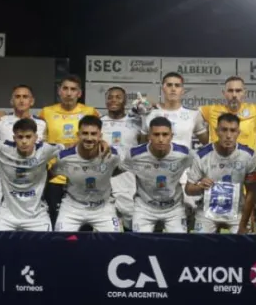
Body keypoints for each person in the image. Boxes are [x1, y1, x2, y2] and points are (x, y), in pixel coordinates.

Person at [135, 72, 208, 230]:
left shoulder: (193, 115)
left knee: (184, 222)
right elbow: (141, 145)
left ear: (183, 90)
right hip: (153, 174)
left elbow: (207, 144)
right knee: (153, 221)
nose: (173, 89)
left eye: (177, 85)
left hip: (182, 175)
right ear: (163, 88)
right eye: (169, 85)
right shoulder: (149, 113)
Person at [0, 118, 67, 232]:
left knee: (45, 249)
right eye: (20, 137)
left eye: (28, 137)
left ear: (36, 138)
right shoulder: (2, 148)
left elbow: (68, 148)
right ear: (14, 138)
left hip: (37, 216)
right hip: (7, 216)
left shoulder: (45, 150)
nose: (24, 141)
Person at [39, 75, 100, 226]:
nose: (68, 93)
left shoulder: (90, 112)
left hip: (82, 174)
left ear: (79, 93)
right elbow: (39, 140)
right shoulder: (46, 112)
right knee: (55, 219)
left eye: (73, 89)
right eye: (65, 88)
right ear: (59, 91)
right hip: (54, 175)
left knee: (84, 222)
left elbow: (99, 137)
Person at [185, 113, 256, 234]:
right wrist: (200, 186)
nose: (228, 135)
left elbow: (251, 191)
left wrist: (244, 223)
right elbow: (188, 189)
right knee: (200, 245)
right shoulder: (202, 155)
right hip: (207, 212)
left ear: (238, 133)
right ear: (216, 131)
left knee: (244, 245)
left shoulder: (248, 156)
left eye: (233, 130)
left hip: (237, 212)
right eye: (224, 130)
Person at [0, 85, 48, 226]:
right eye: (17, 97)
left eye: (25, 97)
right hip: (6, 177)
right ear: (11, 101)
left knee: (31, 216)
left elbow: (45, 148)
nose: (21, 100)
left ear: (32, 101)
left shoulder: (41, 123)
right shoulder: (0, 121)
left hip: (33, 178)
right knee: (0, 215)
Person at [53, 116, 123, 232]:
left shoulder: (112, 156)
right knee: (63, 242)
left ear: (100, 136)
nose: (89, 138)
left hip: (103, 207)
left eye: (93, 134)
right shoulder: (64, 157)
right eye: (85, 133)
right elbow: (51, 173)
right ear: (78, 135)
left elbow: (119, 169)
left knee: (114, 242)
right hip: (72, 207)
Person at [124, 117, 193, 233]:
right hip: (144, 207)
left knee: (180, 245)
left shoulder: (184, 154)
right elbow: (117, 170)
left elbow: (201, 166)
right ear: (149, 136)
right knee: (139, 244)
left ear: (171, 136)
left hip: (174, 208)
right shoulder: (134, 155)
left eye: (165, 135)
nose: (161, 139)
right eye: (156, 135)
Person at [99, 86, 141, 230]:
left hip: (128, 177)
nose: (113, 100)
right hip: (105, 176)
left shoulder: (136, 121)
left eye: (118, 97)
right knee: (107, 224)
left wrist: (145, 108)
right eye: (110, 97)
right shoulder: (99, 123)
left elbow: (146, 144)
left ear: (125, 101)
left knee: (131, 220)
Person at [196, 76, 256, 150]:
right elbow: (190, 117)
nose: (234, 95)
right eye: (230, 91)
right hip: (218, 160)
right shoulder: (211, 110)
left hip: (247, 160)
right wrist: (202, 134)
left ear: (244, 93)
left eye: (238, 91)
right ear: (224, 93)